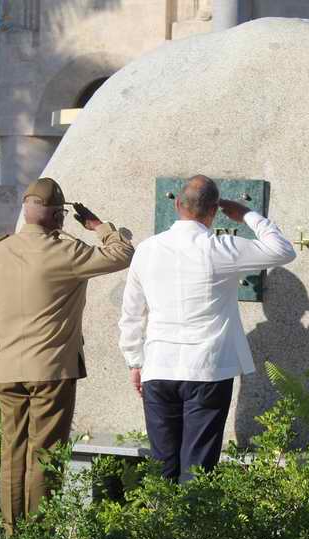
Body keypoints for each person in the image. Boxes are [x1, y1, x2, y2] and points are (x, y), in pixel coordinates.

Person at [0, 177, 134, 532]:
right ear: (59, 217)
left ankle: (13, 533)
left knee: (12, 454)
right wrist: (99, 227)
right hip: (52, 372)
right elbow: (123, 254)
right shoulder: (67, 252)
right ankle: (39, 538)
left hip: (6, 372)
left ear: (26, 213)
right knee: (44, 455)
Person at [118, 175, 296, 482]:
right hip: (207, 370)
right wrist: (247, 214)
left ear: (177, 204)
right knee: (198, 468)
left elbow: (132, 313)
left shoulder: (147, 250)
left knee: (162, 467)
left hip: (159, 366)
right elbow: (283, 250)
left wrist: (135, 361)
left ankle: (161, 528)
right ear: (214, 211)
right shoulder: (219, 248)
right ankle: (192, 530)